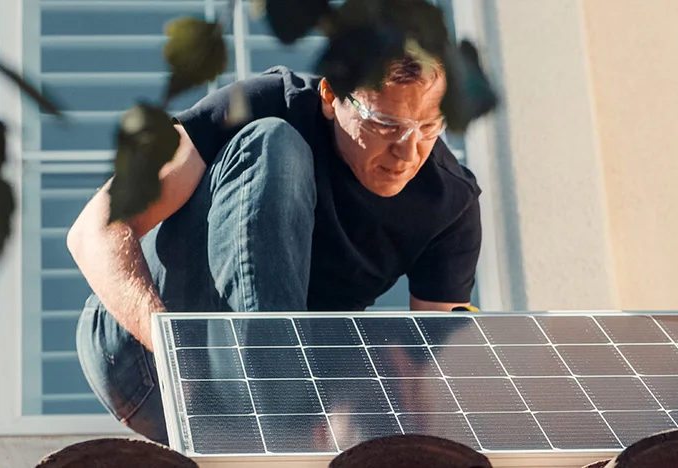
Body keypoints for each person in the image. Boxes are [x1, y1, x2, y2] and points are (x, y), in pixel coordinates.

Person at [67, 52, 483, 445]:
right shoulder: (268, 102)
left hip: (270, 403)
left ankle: (283, 418)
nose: (407, 152)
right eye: (385, 123)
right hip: (148, 364)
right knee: (273, 142)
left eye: (428, 128)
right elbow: (92, 229)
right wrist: (172, 348)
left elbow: (426, 360)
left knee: (392, 347)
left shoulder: (449, 202)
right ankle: (276, 411)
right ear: (329, 97)